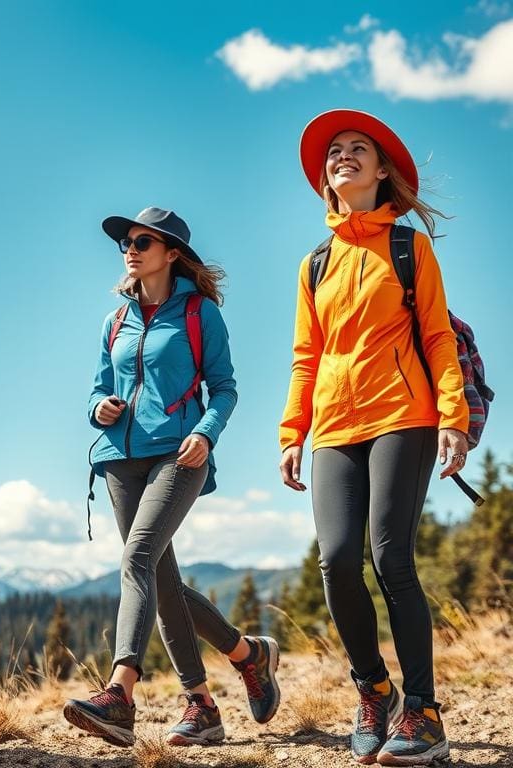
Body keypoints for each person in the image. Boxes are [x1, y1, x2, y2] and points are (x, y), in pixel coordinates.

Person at [280, 109, 469, 766]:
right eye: (335, 151)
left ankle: (423, 711)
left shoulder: (408, 247)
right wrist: (291, 431)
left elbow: (439, 336)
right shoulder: (313, 265)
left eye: (358, 148)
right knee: (336, 560)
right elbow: (307, 355)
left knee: (391, 559)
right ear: (327, 178)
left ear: (381, 170)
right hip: (334, 425)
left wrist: (454, 416)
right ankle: (374, 689)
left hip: (402, 413)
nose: (344, 155)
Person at [63, 207, 280, 748]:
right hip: (117, 458)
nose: (129, 250)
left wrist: (205, 433)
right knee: (159, 580)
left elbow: (224, 387)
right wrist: (100, 409)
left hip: (179, 455)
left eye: (142, 241)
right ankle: (228, 676)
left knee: (136, 559)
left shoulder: (198, 313)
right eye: (125, 243)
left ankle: (119, 692)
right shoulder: (115, 319)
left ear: (172, 253)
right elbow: (95, 388)